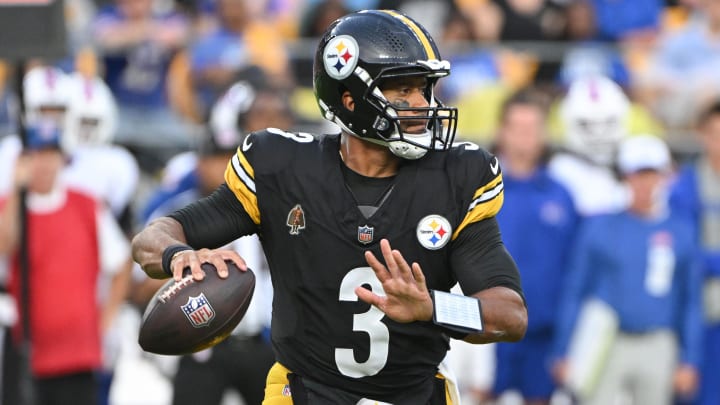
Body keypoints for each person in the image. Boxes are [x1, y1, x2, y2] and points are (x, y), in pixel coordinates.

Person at [132, 10, 527, 405]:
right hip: (305, 391)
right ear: (351, 99)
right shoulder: (283, 167)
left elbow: (510, 316)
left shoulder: (456, 177)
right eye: (403, 91)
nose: (422, 104)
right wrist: (178, 255)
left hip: (414, 393)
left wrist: (434, 307)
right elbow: (151, 239)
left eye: (424, 89)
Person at [552, 135, 703, 405]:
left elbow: (691, 301)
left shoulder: (682, 232)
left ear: (664, 177)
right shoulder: (600, 228)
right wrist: (563, 349)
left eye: (651, 175)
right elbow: (575, 289)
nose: (645, 185)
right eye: (637, 175)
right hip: (607, 339)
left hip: (659, 341)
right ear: (625, 178)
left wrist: (689, 359)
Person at [0, 111, 131, 405]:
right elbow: (4, 246)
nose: (44, 164)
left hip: (78, 352)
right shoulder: (10, 206)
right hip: (27, 351)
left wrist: (106, 319)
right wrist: (17, 190)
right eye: (36, 155)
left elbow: (121, 261)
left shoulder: (85, 205)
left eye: (50, 155)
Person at [490, 89, 579, 405]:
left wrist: (567, 338)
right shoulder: (478, 191)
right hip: (486, 331)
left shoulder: (562, 195)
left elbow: (575, 272)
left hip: (542, 332)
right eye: (518, 127)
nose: (526, 136)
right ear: (502, 131)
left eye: (533, 128)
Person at [669, 100, 720, 405]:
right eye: (715, 133)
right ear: (701, 135)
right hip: (699, 316)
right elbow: (683, 255)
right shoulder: (684, 187)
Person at [548, 75, 631, 216]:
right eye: (587, 125)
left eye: (608, 124)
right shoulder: (560, 171)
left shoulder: (634, 161)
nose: (599, 134)